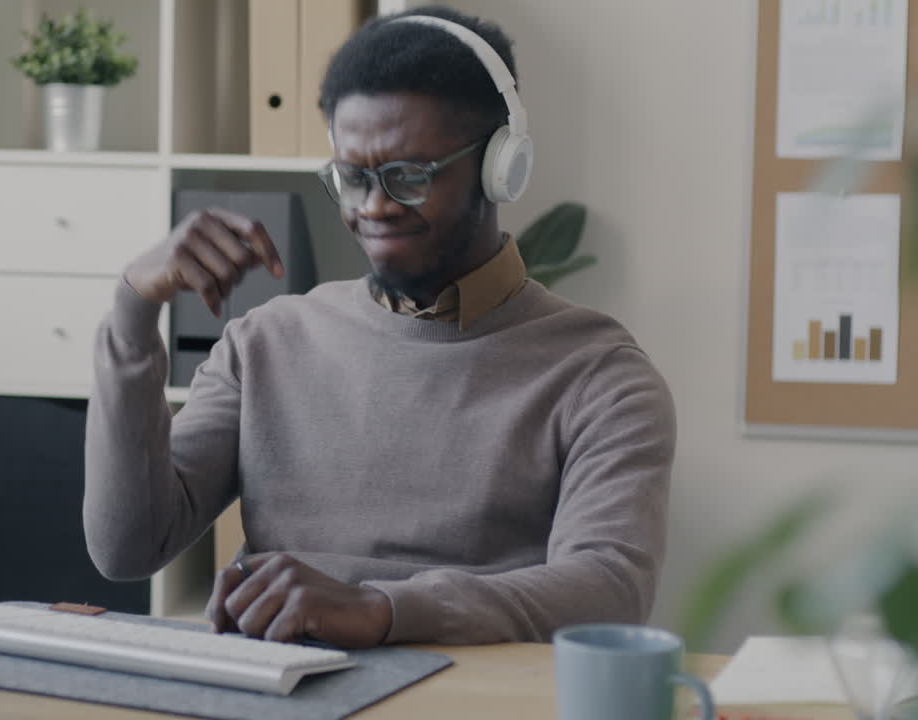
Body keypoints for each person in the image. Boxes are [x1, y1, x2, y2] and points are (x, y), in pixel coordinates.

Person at [83, 5, 675, 648]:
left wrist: (381, 609)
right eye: (353, 177)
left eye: (408, 177)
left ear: (501, 167)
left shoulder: (599, 373)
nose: (373, 207)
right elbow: (127, 547)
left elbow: (610, 589)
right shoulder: (267, 342)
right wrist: (134, 312)